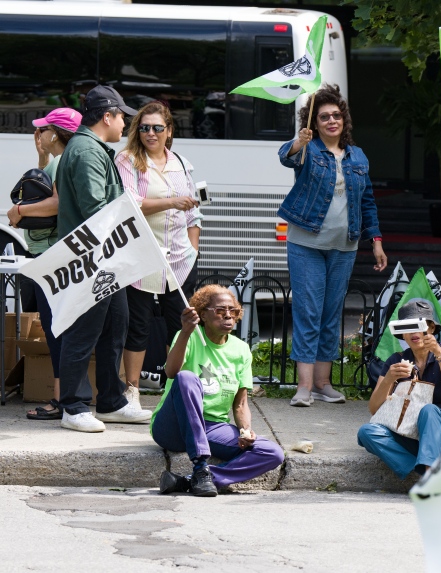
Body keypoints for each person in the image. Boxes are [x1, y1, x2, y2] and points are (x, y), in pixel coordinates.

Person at [278, 84, 387, 407]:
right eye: (324, 116)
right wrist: (300, 140)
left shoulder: (358, 156)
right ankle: (304, 386)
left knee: (330, 314)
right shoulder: (308, 149)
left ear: (344, 119)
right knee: (308, 312)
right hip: (306, 244)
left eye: (336, 115)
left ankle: (323, 383)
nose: (330, 121)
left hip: (345, 245)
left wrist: (376, 241)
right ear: (315, 121)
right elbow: (287, 157)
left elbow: (368, 201)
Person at [55, 86, 151, 432]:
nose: (126, 122)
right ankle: (74, 406)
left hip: (109, 258)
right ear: (106, 116)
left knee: (114, 327)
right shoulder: (86, 151)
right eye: (122, 115)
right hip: (94, 259)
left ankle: (111, 402)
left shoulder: (92, 148)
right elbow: (95, 210)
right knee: (84, 331)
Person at [153, 285, 284, 497]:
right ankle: (199, 466)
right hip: (174, 425)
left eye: (233, 311)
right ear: (202, 314)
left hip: (212, 427)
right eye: (221, 310)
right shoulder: (188, 336)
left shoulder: (240, 350)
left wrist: (245, 430)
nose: (228, 316)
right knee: (186, 377)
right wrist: (186, 332)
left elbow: (241, 404)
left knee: (272, 453)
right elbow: (170, 372)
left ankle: (191, 480)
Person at [116, 102, 203, 410]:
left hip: (179, 258)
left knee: (179, 326)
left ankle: (176, 389)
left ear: (169, 131)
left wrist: (193, 248)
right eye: (144, 127)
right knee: (137, 326)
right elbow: (130, 202)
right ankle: (132, 390)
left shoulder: (181, 162)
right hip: (141, 256)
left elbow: (194, 213)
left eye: (157, 128)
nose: (150, 133)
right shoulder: (127, 159)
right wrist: (171, 202)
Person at [10, 108, 81, 420]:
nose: (39, 134)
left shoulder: (68, 161)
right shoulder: (63, 160)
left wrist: (20, 212)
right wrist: (41, 156)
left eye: (44, 130)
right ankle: (62, 398)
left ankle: (61, 400)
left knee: (58, 329)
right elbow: (48, 183)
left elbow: (57, 201)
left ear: (58, 133)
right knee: (56, 328)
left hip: (53, 253)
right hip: (50, 252)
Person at [357, 299, 441, 478]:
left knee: (429, 410)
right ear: (403, 335)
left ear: (431, 329)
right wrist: (389, 379)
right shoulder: (396, 360)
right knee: (366, 432)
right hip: (410, 433)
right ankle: (419, 471)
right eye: (408, 327)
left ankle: (429, 475)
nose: (414, 332)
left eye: (419, 325)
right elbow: (374, 409)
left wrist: (438, 352)